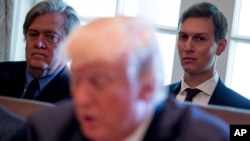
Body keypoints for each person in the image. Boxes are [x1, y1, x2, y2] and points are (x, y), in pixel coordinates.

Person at [15, 16, 229, 141]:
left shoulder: (205, 137)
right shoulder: (47, 130)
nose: (81, 99)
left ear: (146, 88)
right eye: (77, 81)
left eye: (98, 83)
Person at [166, 2, 250, 109]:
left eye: (200, 38)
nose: (188, 47)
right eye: (183, 37)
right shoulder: (154, 99)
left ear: (221, 47)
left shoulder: (243, 110)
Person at [0, 0, 80, 103]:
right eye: (33, 34)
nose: (38, 44)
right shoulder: (2, 72)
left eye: (51, 37)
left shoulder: (78, 95)